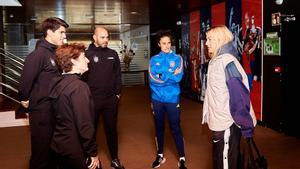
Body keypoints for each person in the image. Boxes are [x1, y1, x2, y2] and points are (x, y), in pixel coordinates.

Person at [202, 25, 257, 169]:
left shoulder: (228, 63)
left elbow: (239, 98)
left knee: (225, 164)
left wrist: (246, 126)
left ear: (220, 40)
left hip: (227, 124)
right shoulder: (216, 61)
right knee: (220, 161)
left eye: (210, 39)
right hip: (219, 123)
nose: (206, 43)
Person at [18, 17, 69, 169]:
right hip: (41, 111)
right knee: (41, 151)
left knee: (54, 149)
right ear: (49, 32)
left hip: (55, 109)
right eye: (61, 32)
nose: (64, 36)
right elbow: (26, 81)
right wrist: (25, 100)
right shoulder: (38, 54)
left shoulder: (55, 53)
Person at [48, 43, 100, 169]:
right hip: (76, 149)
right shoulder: (79, 87)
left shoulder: (56, 82)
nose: (88, 60)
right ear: (73, 61)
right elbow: (84, 124)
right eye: (83, 57)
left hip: (58, 145)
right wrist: (92, 152)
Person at [84, 27, 124, 169]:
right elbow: (81, 78)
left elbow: (118, 75)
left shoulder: (113, 54)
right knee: (90, 131)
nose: (106, 39)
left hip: (110, 101)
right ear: (94, 37)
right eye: (102, 37)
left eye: (107, 37)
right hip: (92, 100)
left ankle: (114, 159)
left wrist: (117, 93)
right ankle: (91, 159)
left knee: (111, 130)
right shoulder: (86, 54)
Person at [148, 30, 187, 169]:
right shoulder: (153, 60)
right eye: (164, 43)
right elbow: (152, 79)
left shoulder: (178, 59)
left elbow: (179, 77)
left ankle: (182, 158)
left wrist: (163, 76)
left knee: (175, 127)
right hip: (157, 99)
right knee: (159, 128)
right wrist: (170, 75)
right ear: (159, 44)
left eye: (169, 43)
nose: (167, 46)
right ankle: (160, 155)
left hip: (172, 99)